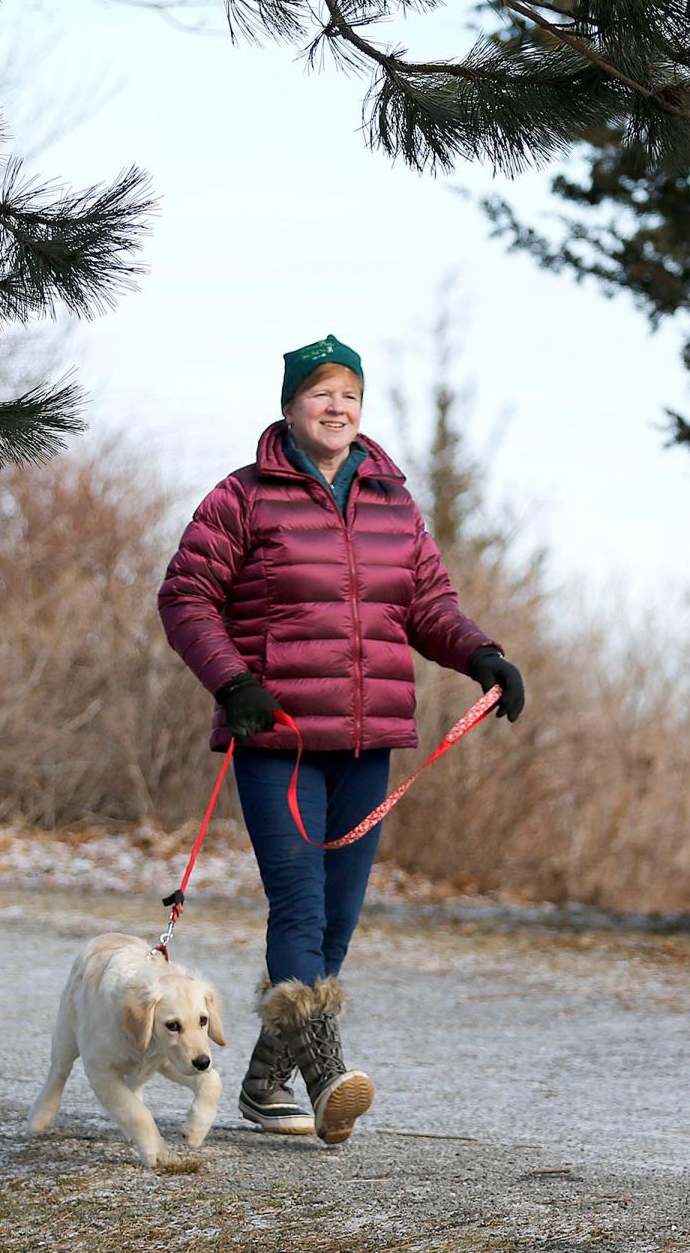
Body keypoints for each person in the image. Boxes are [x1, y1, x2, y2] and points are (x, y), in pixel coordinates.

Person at [157, 334, 524, 1146]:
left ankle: (260, 1081)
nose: (336, 407)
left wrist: (482, 653)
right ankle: (325, 1079)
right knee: (300, 904)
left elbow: (428, 604)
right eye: (320, 393)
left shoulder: (393, 501)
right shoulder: (243, 496)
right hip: (278, 742)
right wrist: (232, 680)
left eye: (349, 395)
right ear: (290, 406)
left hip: (368, 744)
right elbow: (186, 597)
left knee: (337, 923)